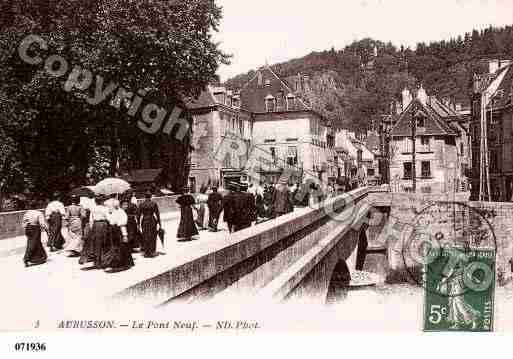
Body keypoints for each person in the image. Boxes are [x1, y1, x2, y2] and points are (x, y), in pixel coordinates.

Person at [103, 199, 134, 272]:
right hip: (113, 231)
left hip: (118, 231)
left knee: (121, 247)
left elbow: (122, 225)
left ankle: (122, 263)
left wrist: (125, 235)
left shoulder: (121, 212)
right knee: (114, 247)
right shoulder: (112, 212)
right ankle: (115, 262)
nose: (109, 208)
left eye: (110, 206)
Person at [87, 194, 111, 269]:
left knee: (96, 243)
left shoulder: (93, 209)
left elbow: (91, 219)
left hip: (95, 225)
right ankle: (103, 261)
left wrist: (92, 228)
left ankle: (97, 262)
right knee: (104, 243)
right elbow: (108, 218)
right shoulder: (105, 209)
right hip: (103, 224)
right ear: (101, 201)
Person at [138, 190, 161, 257]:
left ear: (145, 197)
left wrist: (138, 224)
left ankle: (146, 252)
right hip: (152, 220)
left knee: (145, 236)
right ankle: (152, 251)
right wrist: (159, 223)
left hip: (144, 221)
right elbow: (157, 214)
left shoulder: (141, 204)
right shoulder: (154, 203)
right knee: (153, 236)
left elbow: (138, 215)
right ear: (150, 196)